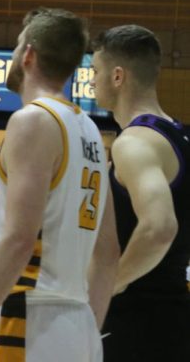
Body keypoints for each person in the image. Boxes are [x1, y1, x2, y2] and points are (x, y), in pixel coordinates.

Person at [0, 8, 119, 362]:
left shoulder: (33, 121)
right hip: (79, 324)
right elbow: (107, 254)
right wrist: (87, 327)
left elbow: (19, 239)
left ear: (28, 55)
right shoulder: (91, 132)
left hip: (27, 317)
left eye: (16, 46)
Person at [90, 25, 190, 361]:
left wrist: (112, 283)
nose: (91, 80)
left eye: (95, 71)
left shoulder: (133, 142)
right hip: (172, 320)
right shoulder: (179, 137)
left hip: (137, 325)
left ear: (117, 76)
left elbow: (160, 228)